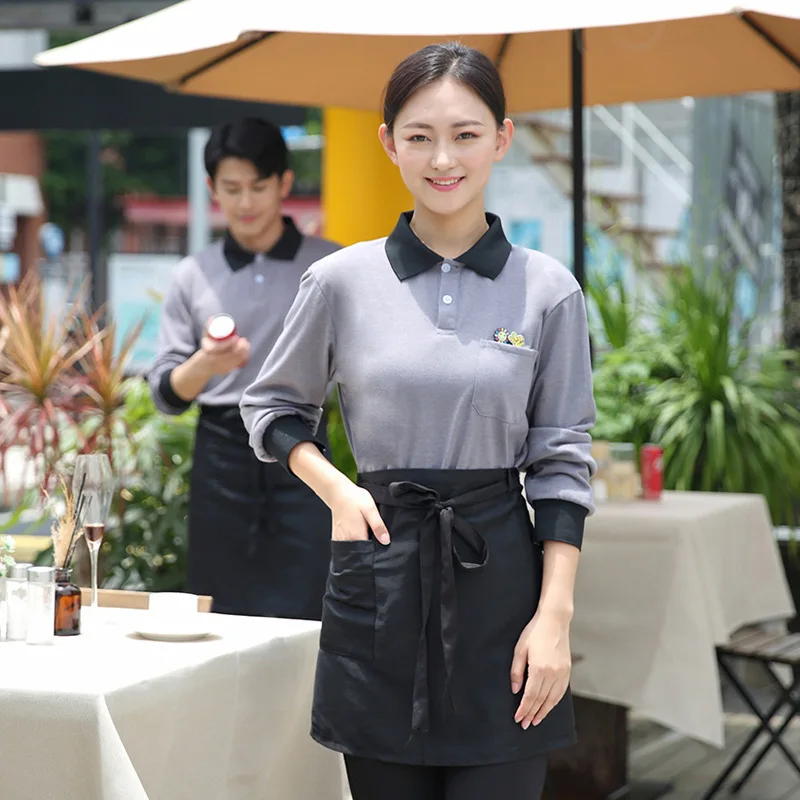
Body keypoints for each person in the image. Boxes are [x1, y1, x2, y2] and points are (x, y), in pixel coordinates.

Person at [241, 43, 595, 800]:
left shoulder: (549, 290)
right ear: (388, 143)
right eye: (420, 135)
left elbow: (562, 459)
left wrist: (554, 618)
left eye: (466, 134)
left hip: (505, 596)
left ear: (502, 138)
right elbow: (270, 407)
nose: (443, 158)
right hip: (380, 581)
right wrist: (335, 487)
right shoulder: (339, 280)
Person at [148, 117, 340, 620]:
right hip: (221, 455)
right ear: (212, 189)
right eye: (231, 189)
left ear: (284, 184)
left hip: (302, 448)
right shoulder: (193, 274)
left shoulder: (330, 267)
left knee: (308, 607)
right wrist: (206, 364)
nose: (245, 202)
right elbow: (167, 395)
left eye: (258, 186)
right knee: (219, 607)